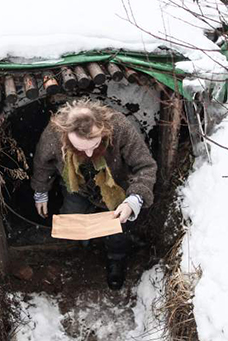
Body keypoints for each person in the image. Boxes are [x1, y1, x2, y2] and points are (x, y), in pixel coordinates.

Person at [31, 98, 157, 290]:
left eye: (95, 145)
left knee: (118, 229)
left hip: (115, 186)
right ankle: (83, 246)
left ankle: (116, 260)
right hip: (77, 185)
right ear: (66, 135)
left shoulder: (120, 127)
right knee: (72, 216)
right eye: (81, 148)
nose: (89, 154)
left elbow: (145, 166)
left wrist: (134, 199)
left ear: (104, 129)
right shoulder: (54, 134)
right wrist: (41, 191)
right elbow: (42, 163)